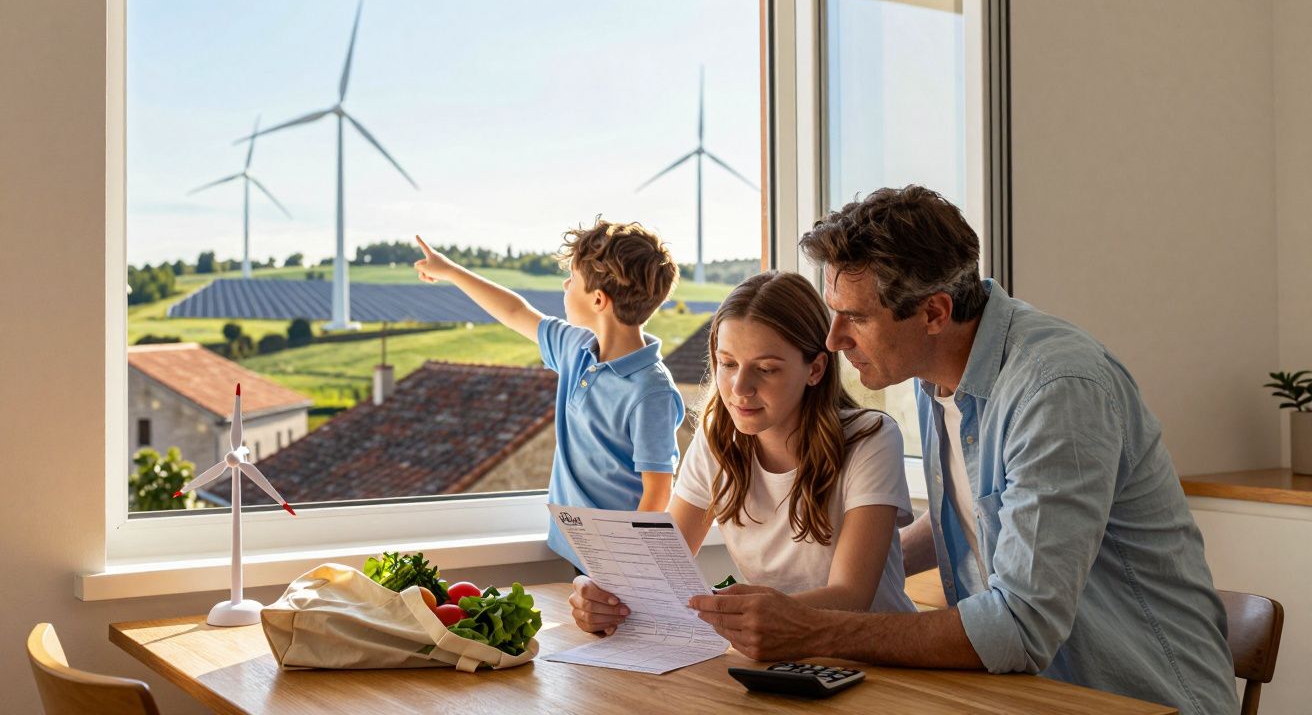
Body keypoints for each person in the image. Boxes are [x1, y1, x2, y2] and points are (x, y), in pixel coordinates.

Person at [684, 186, 1238, 715]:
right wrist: (866, 555)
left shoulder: (1056, 390)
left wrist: (814, 628)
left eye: (855, 316)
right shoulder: (939, 377)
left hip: (1134, 700)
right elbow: (985, 515)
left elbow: (1019, 626)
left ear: (934, 313)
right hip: (1020, 697)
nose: (833, 339)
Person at [568, 271, 917, 637]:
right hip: (775, 657)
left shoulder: (869, 438)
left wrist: (733, 611)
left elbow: (852, 597)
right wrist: (603, 596)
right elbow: (661, 567)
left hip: (874, 655)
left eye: (765, 369)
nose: (739, 388)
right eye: (728, 364)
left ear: (814, 369)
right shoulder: (718, 436)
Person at [414, 220, 684, 571]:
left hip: (616, 561)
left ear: (599, 300)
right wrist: (450, 271)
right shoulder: (576, 348)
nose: (564, 284)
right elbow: (515, 312)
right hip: (577, 548)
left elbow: (658, 491)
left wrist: (626, 566)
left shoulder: (651, 391)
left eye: (572, 278)